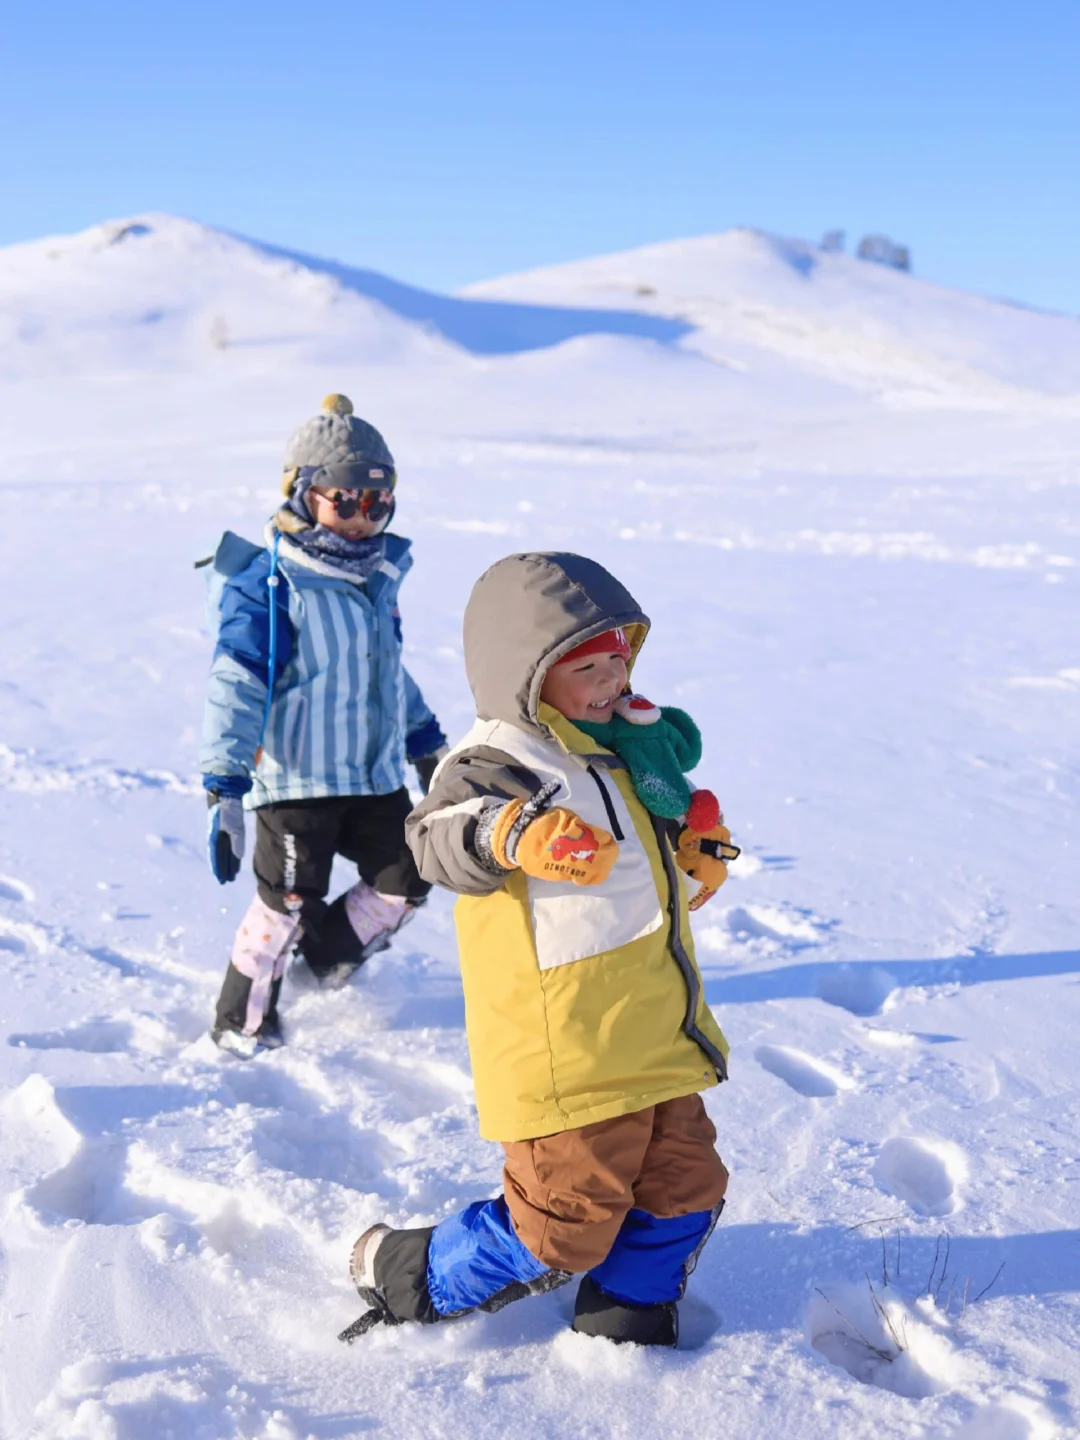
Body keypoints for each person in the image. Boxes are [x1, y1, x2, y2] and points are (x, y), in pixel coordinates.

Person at [340, 551, 737, 1347]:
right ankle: (403, 1272)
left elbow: (642, 844)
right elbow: (435, 839)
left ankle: (626, 1311)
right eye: (587, 665)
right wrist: (511, 832)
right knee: (561, 1224)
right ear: (525, 675)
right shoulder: (498, 760)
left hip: (656, 1027)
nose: (612, 677)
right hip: (568, 1048)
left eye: (619, 656)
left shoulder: (619, 747)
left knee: (687, 1187)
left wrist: (691, 848)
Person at [200, 394, 446, 1057]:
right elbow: (237, 681)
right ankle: (242, 1023)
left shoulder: (377, 577)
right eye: (346, 501)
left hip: (371, 775)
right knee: (288, 900)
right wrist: (223, 785)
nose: (364, 519)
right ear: (304, 492)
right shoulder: (270, 583)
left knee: (411, 869)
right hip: (295, 780)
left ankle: (328, 961)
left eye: (378, 503)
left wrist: (426, 742)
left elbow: (384, 672)